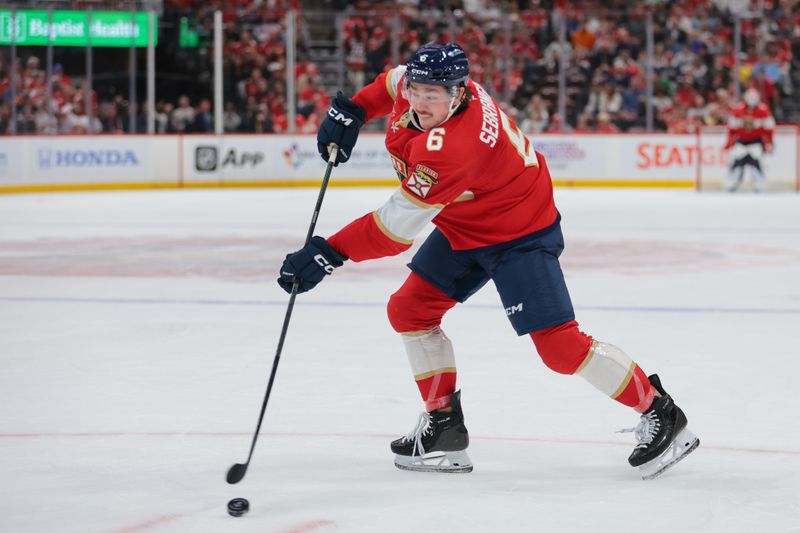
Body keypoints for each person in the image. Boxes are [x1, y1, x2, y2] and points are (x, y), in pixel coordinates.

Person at [278, 42, 699, 479]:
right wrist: (355, 109)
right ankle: (444, 425)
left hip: (519, 232)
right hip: (468, 224)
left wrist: (328, 253)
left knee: (558, 346)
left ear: (458, 93)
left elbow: (392, 230)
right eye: (416, 91)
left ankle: (660, 411)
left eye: (431, 95)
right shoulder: (429, 85)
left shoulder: (452, 149)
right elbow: (392, 82)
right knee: (410, 310)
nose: (419, 102)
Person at [723, 87, 775, 192]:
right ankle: (732, 183)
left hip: (756, 141)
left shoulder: (763, 110)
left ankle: (759, 184)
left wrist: (769, 142)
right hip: (741, 141)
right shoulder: (738, 110)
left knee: (755, 164)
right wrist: (729, 143)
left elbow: (769, 128)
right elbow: (731, 128)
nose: (751, 100)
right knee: (737, 163)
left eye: (753, 97)